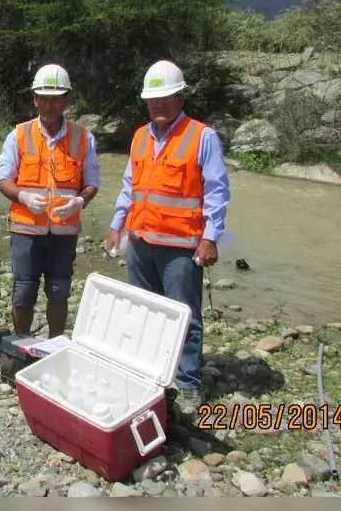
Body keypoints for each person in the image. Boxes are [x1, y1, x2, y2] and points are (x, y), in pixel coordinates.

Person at [105, 60, 231, 416]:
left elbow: (217, 191)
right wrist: (117, 224)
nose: (158, 104)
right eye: (153, 99)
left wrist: (210, 237)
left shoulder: (201, 136)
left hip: (180, 246)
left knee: (184, 316)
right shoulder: (140, 137)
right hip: (141, 241)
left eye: (166, 97)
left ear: (180, 96)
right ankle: (151, 374)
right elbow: (130, 185)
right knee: (143, 312)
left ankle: (188, 383)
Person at [0, 64, 100, 339]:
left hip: (64, 232)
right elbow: (3, 179)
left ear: (66, 100)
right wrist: (23, 196)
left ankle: (55, 343)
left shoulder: (83, 137)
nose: (49, 105)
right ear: (34, 99)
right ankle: (20, 343)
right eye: (43, 98)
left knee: (59, 289)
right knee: (24, 289)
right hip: (26, 230)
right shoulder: (18, 134)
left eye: (55, 98)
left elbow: (92, 183)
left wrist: (81, 200)